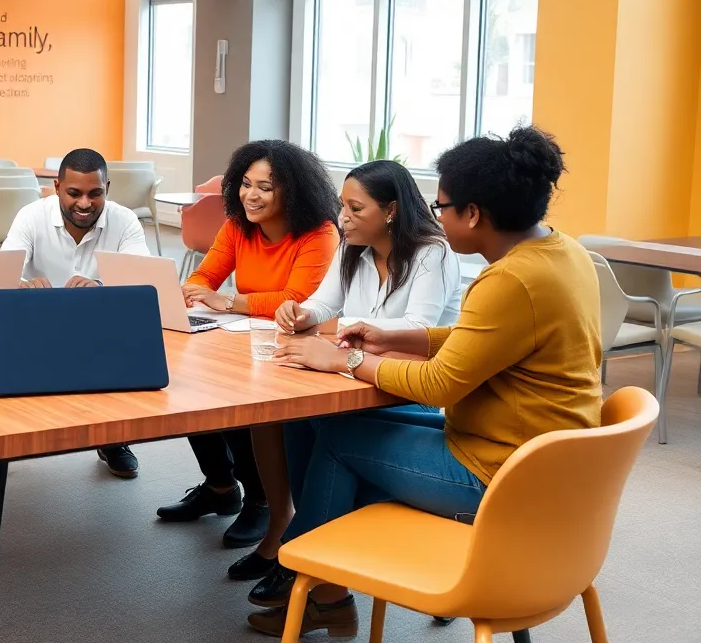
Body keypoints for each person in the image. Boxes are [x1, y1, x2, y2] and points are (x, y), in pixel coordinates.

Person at [250, 127, 601, 638]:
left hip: (500, 477)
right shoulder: (563, 253)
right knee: (318, 422)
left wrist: (342, 362)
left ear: (474, 214)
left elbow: (439, 387)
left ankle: (313, 579)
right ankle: (321, 570)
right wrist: (397, 338)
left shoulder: (506, 280)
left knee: (339, 442)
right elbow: (478, 337)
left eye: (442, 208)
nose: (436, 218)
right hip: (544, 462)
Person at [225, 158, 464, 583]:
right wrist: (299, 313)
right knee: (297, 422)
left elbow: (421, 328)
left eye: (356, 209)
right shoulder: (353, 247)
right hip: (357, 373)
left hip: (408, 387)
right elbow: (324, 303)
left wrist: (347, 330)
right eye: (342, 206)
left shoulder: (433, 252)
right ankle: (316, 541)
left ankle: (300, 554)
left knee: (323, 428)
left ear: (390, 211)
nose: (343, 218)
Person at [158, 140, 340, 550]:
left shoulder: (320, 233)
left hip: (294, 344)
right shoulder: (238, 226)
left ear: (292, 191)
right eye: (245, 184)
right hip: (243, 337)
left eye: (265, 187)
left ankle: (262, 500)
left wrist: (232, 301)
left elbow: (299, 301)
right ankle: (221, 486)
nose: (250, 195)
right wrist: (197, 292)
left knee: (243, 404)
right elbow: (201, 279)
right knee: (188, 386)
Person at [1, 147, 151, 478]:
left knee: (128, 338)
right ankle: (1, 442)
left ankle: (113, 439)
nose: (84, 203)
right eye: (74, 193)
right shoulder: (31, 216)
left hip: (102, 323)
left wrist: (100, 286)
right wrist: (23, 286)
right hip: (38, 321)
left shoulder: (124, 220)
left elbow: (143, 281)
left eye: (95, 193)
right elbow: (2, 271)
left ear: (107, 189)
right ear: (56, 188)